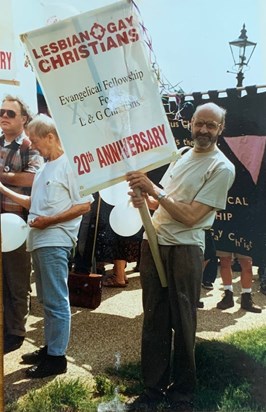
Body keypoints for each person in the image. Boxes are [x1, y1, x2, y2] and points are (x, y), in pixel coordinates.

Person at [126, 102, 235, 411]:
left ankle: (183, 393)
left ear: (220, 129)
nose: (203, 130)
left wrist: (154, 192)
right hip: (155, 243)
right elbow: (166, 202)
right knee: (154, 317)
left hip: (185, 247)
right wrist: (144, 197)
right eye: (199, 123)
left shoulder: (221, 167)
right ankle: (153, 389)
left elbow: (190, 216)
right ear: (191, 124)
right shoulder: (183, 155)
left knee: (184, 320)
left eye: (211, 125)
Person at [0, 114, 93, 378]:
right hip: (39, 241)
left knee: (56, 301)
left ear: (50, 136)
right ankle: (51, 349)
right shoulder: (44, 168)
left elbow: (85, 204)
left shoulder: (71, 166)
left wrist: (49, 221)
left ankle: (57, 358)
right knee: (47, 300)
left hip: (55, 241)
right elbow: (33, 205)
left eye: (36, 140)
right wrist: (3, 189)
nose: (34, 146)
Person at [0, 95, 43, 354]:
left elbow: (33, 179)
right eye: (1, 112)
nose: (4, 116)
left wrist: (3, 177)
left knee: (17, 278)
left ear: (24, 119)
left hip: (16, 223)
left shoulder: (29, 145)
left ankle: (16, 331)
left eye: (10, 113)